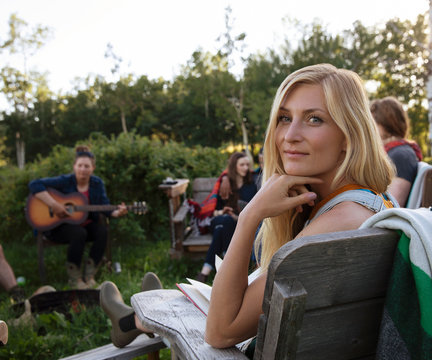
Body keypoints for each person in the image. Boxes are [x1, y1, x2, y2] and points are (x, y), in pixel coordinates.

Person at [100, 63, 397, 352]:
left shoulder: (335, 225)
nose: (289, 136)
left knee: (188, 306)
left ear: (349, 135)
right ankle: (134, 318)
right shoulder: (373, 202)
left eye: (314, 119)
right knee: (197, 297)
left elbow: (220, 332)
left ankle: (131, 319)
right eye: (284, 118)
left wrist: (249, 215)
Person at [28, 145, 128, 289]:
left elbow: (105, 206)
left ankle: (89, 275)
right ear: (74, 166)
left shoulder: (97, 184)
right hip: (59, 227)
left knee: (102, 231)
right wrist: (54, 205)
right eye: (80, 165)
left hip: (85, 225)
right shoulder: (65, 181)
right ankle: (75, 279)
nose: (83, 169)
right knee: (78, 233)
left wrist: (118, 212)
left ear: (92, 168)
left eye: (86, 166)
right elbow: (34, 184)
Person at [196, 152, 258, 283]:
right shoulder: (226, 183)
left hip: (237, 222)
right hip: (220, 218)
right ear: (234, 166)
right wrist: (223, 212)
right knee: (224, 221)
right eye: (242, 164)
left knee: (221, 228)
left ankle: (204, 273)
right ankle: (225, 270)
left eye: (247, 164)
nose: (246, 168)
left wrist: (235, 217)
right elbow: (213, 212)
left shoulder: (251, 186)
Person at [370, 96, 423, 207]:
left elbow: (393, 206)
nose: (370, 129)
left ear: (386, 124)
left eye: (373, 123)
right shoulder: (396, 151)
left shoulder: (400, 155)